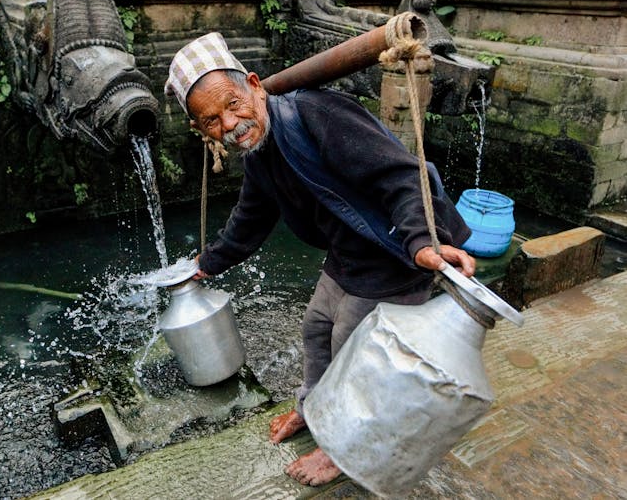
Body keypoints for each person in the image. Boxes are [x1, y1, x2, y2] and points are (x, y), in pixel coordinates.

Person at [164, 32, 476, 487]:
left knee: (360, 356)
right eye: (212, 121)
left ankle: (342, 451)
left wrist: (420, 241)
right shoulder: (259, 155)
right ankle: (313, 410)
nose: (230, 124)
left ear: (254, 84)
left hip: (392, 251)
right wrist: (208, 263)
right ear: (200, 131)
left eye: (233, 104)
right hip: (347, 254)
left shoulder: (316, 113)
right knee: (316, 332)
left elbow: (402, 176)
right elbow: (250, 219)